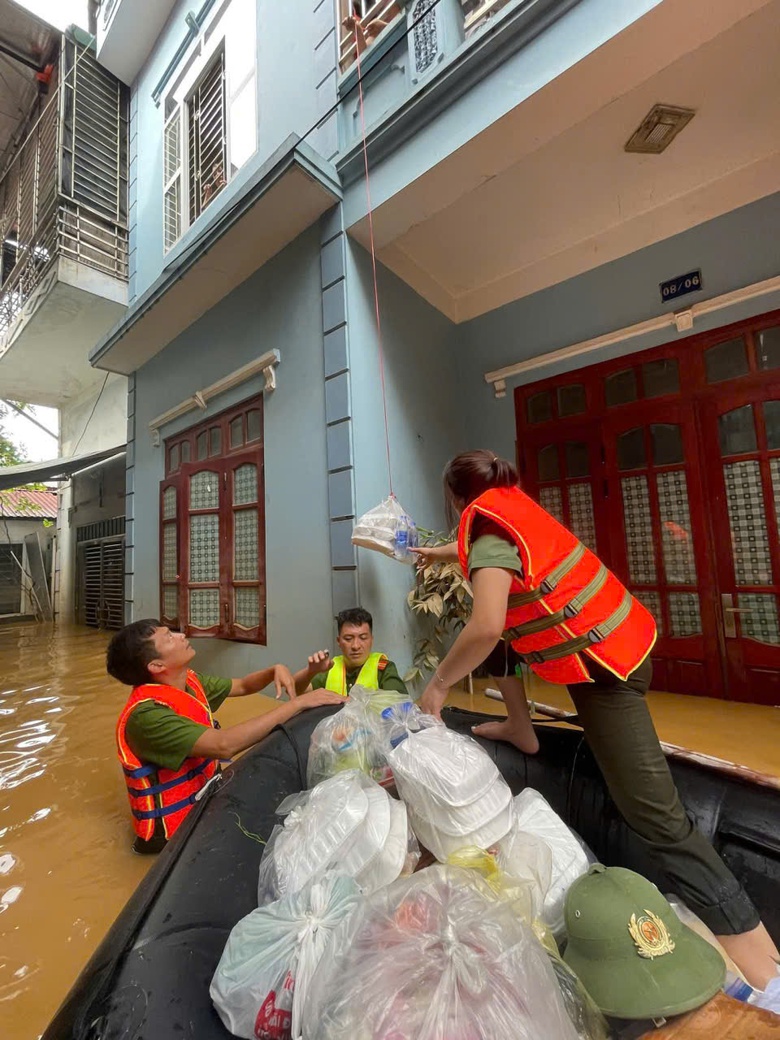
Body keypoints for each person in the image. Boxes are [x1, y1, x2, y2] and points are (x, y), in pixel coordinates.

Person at [411, 449, 780, 989]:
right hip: (616, 645)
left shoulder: (487, 525)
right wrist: (439, 553)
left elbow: (488, 624)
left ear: (454, 497)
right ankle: (521, 727)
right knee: (498, 635)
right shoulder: (506, 508)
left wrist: (438, 686)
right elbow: (482, 561)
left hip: (606, 672)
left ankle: (762, 964)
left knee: (656, 817)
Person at [108, 619, 343, 854]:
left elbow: (241, 686)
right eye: (169, 636)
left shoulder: (188, 682)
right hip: (169, 844)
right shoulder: (147, 717)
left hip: (202, 809)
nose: (181, 635)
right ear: (157, 665)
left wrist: (273, 670)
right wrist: (300, 703)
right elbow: (225, 745)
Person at [293, 607, 408, 698]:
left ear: (371, 640)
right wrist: (310, 672)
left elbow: (399, 702)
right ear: (338, 641)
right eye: (348, 639)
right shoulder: (330, 668)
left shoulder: (383, 668)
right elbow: (295, 690)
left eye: (363, 638)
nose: (355, 646)